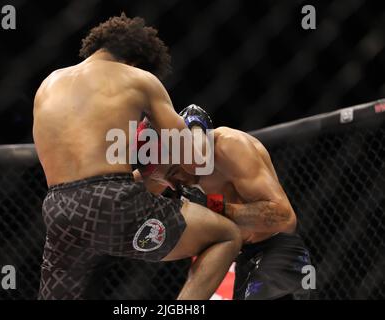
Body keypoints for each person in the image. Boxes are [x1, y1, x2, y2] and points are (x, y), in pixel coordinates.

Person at [33, 14, 242, 300]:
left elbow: (84, 180)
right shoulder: (139, 79)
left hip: (58, 209)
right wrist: (194, 126)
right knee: (226, 236)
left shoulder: (48, 84)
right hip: (113, 203)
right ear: (135, 62)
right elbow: (194, 162)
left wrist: (145, 171)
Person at [145, 104, 313, 300]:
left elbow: (284, 218)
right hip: (242, 260)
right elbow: (128, 188)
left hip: (277, 253)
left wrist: (212, 205)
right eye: (165, 179)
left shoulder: (228, 147)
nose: (173, 186)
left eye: (174, 172)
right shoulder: (174, 171)